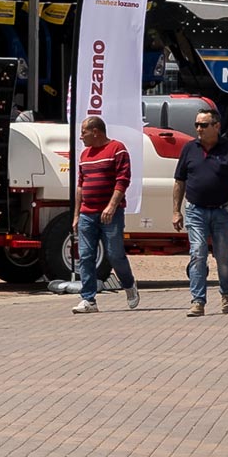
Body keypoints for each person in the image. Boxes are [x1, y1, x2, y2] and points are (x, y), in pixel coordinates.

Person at [170, 102, 228, 316]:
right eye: (197, 125)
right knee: (197, 254)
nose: (199, 129)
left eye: (204, 125)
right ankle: (197, 301)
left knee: (223, 257)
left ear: (216, 126)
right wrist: (176, 210)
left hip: (223, 211)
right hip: (196, 210)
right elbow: (179, 181)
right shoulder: (189, 149)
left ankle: (227, 295)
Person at [71, 114, 138, 314]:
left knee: (115, 255)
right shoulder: (84, 155)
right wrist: (76, 214)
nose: (81, 136)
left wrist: (111, 206)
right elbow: (80, 186)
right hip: (86, 213)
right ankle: (89, 300)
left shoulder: (117, 149)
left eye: (84, 132)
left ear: (95, 132)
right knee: (85, 256)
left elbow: (123, 180)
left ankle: (128, 284)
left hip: (111, 213)